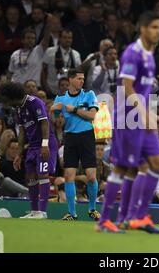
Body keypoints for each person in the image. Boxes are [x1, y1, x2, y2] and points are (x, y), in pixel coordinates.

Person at [98, 12, 159, 234]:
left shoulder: (149, 54)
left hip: (141, 117)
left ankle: (138, 216)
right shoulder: (132, 53)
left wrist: (150, 113)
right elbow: (127, 86)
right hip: (127, 118)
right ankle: (106, 220)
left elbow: (143, 90)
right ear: (143, 28)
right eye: (154, 27)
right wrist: (143, 113)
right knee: (124, 168)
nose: (158, 31)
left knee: (156, 162)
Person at [0, 82, 58, 219]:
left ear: (13, 96)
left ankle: (43, 212)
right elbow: (22, 132)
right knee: (30, 177)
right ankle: (34, 211)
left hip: (45, 143)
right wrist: (19, 153)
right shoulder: (18, 109)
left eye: (7, 99)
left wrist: (44, 144)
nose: (6, 103)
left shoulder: (34, 102)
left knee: (43, 175)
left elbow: (44, 123)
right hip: (32, 146)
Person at [51, 69, 100, 221]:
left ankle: (92, 209)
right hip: (70, 137)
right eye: (79, 78)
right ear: (71, 80)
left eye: (83, 78)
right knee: (68, 176)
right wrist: (53, 112)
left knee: (91, 176)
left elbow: (91, 116)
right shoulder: (61, 98)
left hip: (86, 136)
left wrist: (75, 110)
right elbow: (58, 122)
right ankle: (72, 213)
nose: (81, 81)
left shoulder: (89, 95)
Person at [41, 29, 82, 97]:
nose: (67, 40)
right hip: (52, 89)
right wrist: (46, 87)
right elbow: (43, 71)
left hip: (70, 91)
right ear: (60, 38)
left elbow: (78, 73)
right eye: (65, 37)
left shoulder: (76, 54)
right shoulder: (50, 51)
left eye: (69, 38)